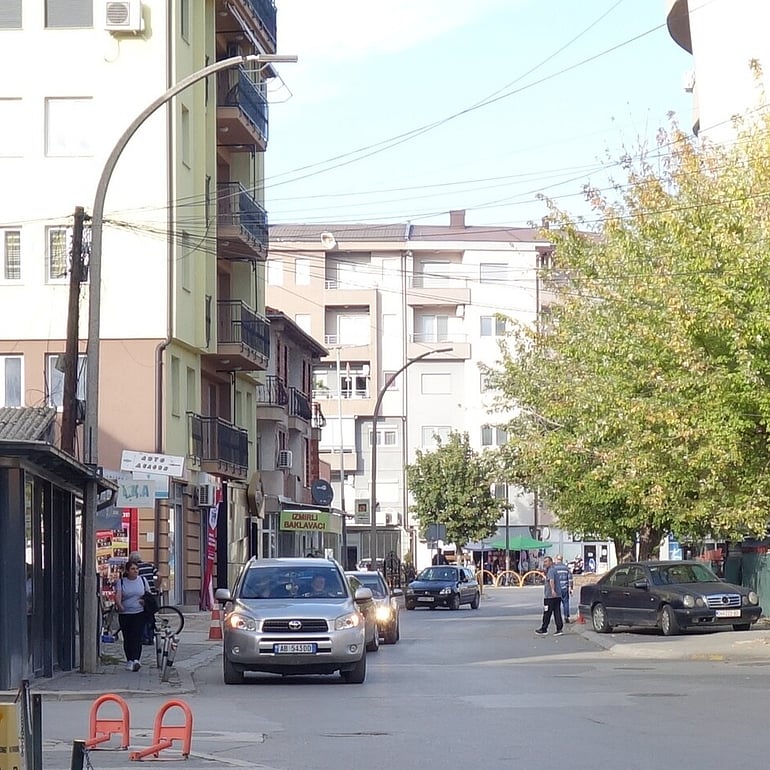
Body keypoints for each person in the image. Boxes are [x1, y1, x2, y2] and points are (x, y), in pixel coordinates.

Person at [115, 558, 150, 671]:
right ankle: (129, 659)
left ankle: (136, 659)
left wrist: (145, 601)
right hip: (125, 613)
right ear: (127, 571)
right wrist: (120, 605)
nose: (135, 571)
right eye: (133, 569)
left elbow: (148, 594)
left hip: (139, 612)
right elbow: (118, 595)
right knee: (128, 637)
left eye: (136, 569)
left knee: (137, 636)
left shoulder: (142, 580)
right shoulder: (121, 582)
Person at [129, 551, 158, 645]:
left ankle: (145, 637)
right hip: (151, 594)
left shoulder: (136, 569)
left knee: (142, 617)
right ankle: (150, 637)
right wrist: (156, 586)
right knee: (150, 617)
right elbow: (160, 575)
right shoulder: (150, 566)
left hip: (142, 595)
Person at [534, 556, 563, 636]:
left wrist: (553, 590)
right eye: (544, 562)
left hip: (550, 596)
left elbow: (551, 580)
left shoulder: (551, 571)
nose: (545, 563)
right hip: (557, 596)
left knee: (547, 612)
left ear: (551, 562)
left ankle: (544, 628)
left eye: (546, 561)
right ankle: (559, 628)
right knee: (557, 612)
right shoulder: (553, 570)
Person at [553, 554, 574, 623]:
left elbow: (552, 579)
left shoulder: (554, 568)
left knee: (557, 604)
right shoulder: (566, 568)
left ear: (556, 559)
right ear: (562, 559)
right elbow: (570, 579)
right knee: (566, 603)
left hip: (557, 588)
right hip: (564, 587)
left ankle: (558, 618)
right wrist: (571, 588)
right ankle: (566, 616)